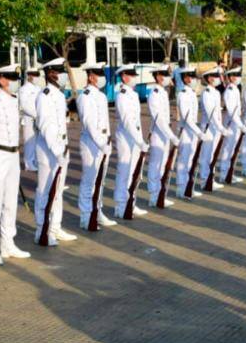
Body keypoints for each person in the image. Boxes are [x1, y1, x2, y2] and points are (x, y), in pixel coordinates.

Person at [0, 64, 32, 264]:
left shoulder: (13, 101)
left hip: (12, 156)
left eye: (15, 78)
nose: (14, 81)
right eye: (10, 77)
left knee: (11, 202)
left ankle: (7, 242)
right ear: (1, 79)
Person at [33, 58, 74, 243]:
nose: (63, 74)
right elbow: (46, 125)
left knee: (57, 191)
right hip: (50, 150)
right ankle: (42, 229)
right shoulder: (45, 95)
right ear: (51, 73)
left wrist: (63, 149)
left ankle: (55, 227)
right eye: (60, 71)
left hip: (60, 148)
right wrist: (57, 151)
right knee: (45, 190)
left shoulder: (58, 94)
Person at [77, 63, 114, 228]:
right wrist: (101, 143)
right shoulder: (85, 96)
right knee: (89, 180)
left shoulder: (101, 95)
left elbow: (105, 121)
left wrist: (108, 140)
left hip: (103, 142)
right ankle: (86, 216)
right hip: (91, 143)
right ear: (91, 76)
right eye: (99, 74)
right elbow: (89, 123)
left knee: (101, 180)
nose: (102, 78)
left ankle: (97, 212)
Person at [112, 65, 149, 219]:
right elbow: (127, 121)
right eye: (132, 75)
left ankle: (131, 203)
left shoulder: (132, 94)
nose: (134, 78)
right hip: (126, 139)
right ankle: (121, 206)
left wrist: (139, 140)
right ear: (124, 76)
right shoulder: (122, 95)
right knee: (125, 173)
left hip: (135, 138)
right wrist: (140, 141)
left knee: (136, 173)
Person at [146, 65, 180, 207]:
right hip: (159, 134)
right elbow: (158, 119)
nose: (168, 77)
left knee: (163, 165)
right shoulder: (154, 93)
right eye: (166, 74)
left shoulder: (163, 92)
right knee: (156, 165)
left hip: (165, 133)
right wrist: (171, 136)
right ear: (159, 76)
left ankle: (160, 194)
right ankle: (154, 196)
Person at [196, 67, 228, 191]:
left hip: (216, 128)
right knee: (206, 156)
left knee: (213, 155)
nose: (219, 78)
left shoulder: (215, 92)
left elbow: (217, 113)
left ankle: (211, 178)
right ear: (209, 78)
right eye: (216, 76)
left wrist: (220, 127)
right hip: (209, 128)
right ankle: (204, 181)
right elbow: (211, 114)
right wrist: (221, 127)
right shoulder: (207, 93)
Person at [174, 67, 204, 198]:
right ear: (185, 78)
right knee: (183, 160)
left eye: (194, 77)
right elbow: (186, 118)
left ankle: (187, 187)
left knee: (190, 159)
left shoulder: (191, 93)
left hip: (192, 131)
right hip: (186, 131)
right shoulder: (182, 94)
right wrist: (199, 132)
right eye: (191, 77)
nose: (194, 80)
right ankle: (181, 188)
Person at [217, 68, 246, 183]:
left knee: (233, 148)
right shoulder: (229, 90)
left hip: (235, 123)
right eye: (235, 75)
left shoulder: (235, 89)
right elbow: (231, 111)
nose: (238, 77)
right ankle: (224, 174)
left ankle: (229, 172)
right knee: (228, 149)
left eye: (239, 75)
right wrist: (240, 125)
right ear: (230, 77)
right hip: (231, 123)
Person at [18, 66, 41, 173]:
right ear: (29, 76)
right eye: (34, 75)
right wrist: (36, 115)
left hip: (39, 118)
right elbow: (24, 105)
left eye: (38, 75)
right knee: (29, 142)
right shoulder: (24, 89)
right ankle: (28, 163)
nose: (36, 77)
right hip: (29, 119)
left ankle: (35, 161)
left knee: (37, 142)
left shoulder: (38, 89)